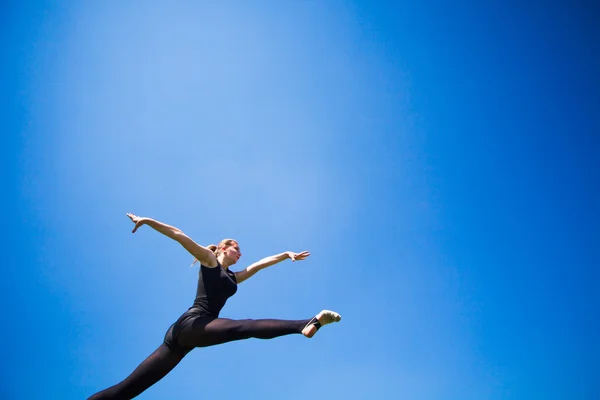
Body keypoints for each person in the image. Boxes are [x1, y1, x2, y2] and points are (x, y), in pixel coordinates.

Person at [88, 213, 341, 399]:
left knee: (127, 390)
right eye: (236, 248)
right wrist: (147, 221)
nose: (241, 254)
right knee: (245, 327)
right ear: (222, 248)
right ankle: (306, 324)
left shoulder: (233, 277)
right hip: (192, 323)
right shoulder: (209, 261)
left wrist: (286, 255)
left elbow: (259, 265)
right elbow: (179, 235)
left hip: (181, 342)